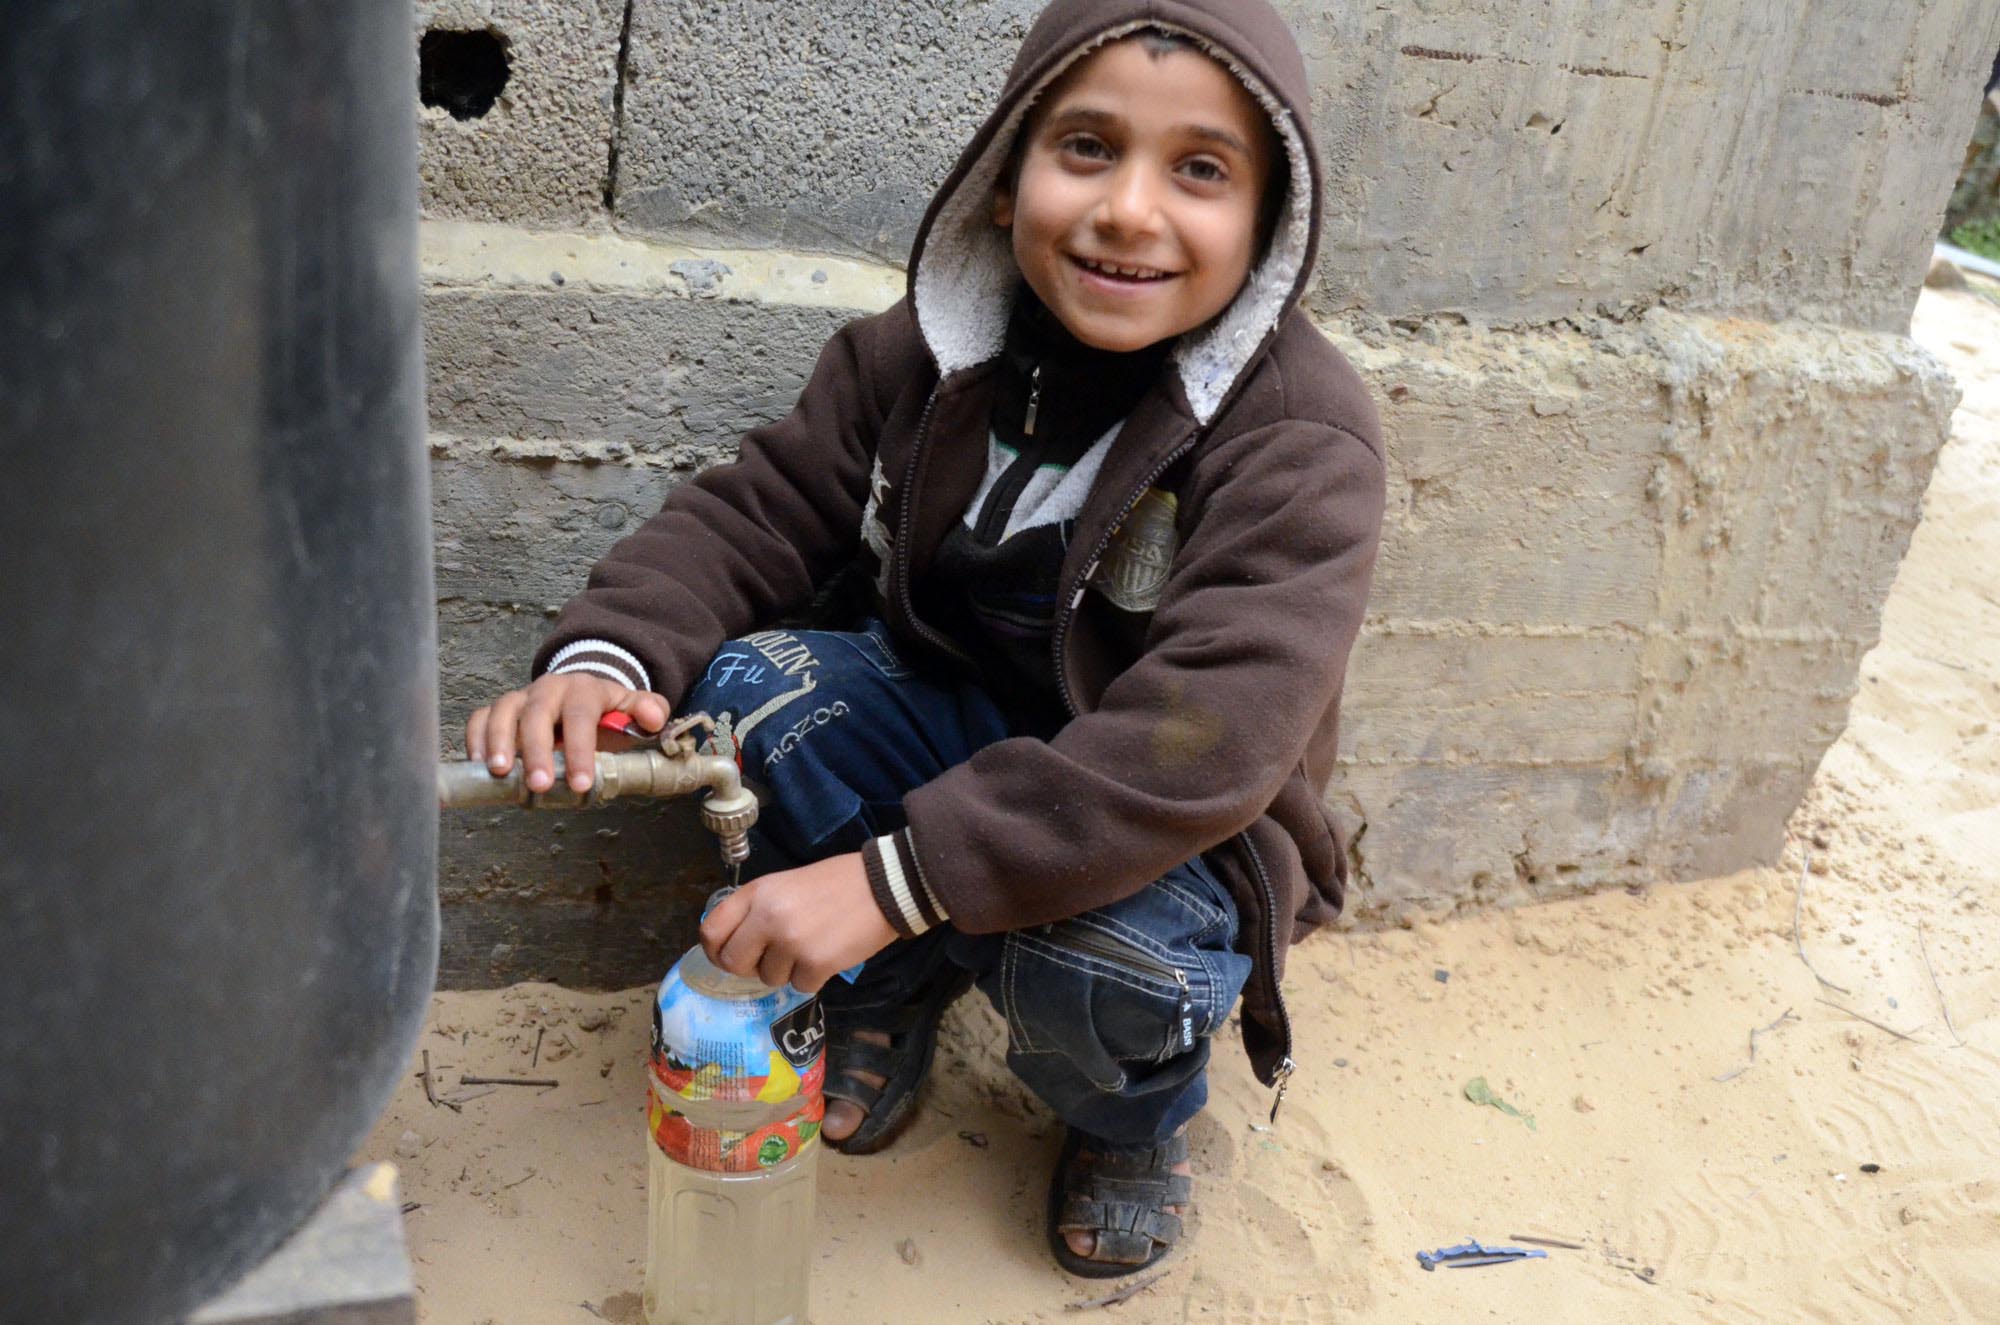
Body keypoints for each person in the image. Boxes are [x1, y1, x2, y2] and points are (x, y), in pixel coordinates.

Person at [465, 0, 1384, 1278]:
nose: (1128, 210)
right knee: (750, 694)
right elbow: (763, 507)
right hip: (952, 739)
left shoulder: (1297, 437)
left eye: (1199, 171)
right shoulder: (926, 352)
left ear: (1268, 223)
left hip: (1163, 824)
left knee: (1103, 964)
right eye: (1084, 149)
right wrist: (605, 656)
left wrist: (884, 884)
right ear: (1002, 181)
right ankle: (889, 978)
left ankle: (1124, 1116)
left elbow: (1207, 741)